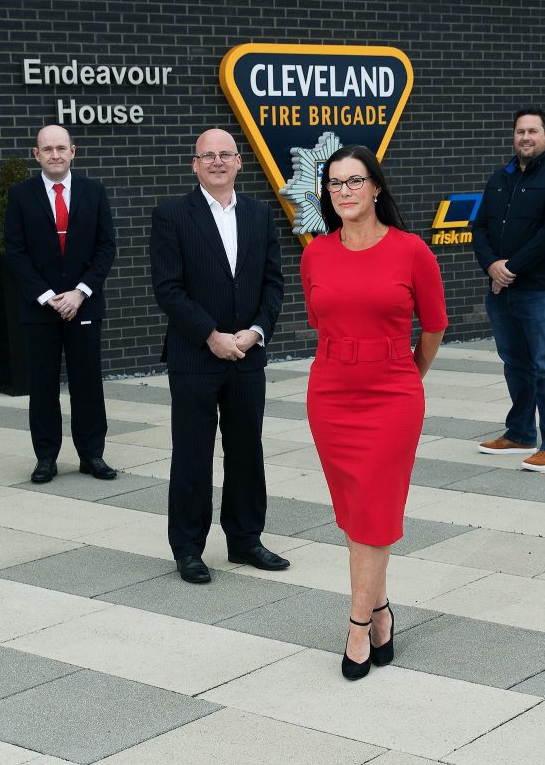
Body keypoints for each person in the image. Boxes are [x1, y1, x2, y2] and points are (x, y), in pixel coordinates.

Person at [301, 146, 447, 680]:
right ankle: (383, 609)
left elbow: (433, 327)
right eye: (335, 183)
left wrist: (409, 375)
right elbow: (320, 319)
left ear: (376, 187)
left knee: (375, 513)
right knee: (356, 512)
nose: (345, 191)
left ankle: (358, 624)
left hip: (392, 397)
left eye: (355, 180)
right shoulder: (315, 252)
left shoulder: (412, 251)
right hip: (331, 395)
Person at [151, 128, 287, 584]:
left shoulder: (260, 214)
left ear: (239, 162)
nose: (217, 161)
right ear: (194, 164)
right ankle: (188, 548)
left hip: (248, 355)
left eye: (225, 154)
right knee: (192, 453)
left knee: (247, 449)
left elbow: (273, 283)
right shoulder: (172, 215)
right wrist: (210, 334)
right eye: (207, 155)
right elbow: (167, 289)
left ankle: (246, 539)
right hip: (195, 354)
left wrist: (254, 332)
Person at [4, 125, 117, 484]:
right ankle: (46, 458)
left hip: (84, 304)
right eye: (47, 149)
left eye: (61, 148)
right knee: (43, 386)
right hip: (40, 309)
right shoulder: (20, 195)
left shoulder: (94, 192)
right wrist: (47, 296)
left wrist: (80, 292)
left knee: (88, 384)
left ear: (73, 151)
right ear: (36, 155)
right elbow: (15, 252)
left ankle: (92, 455)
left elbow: (106, 247)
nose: (55, 154)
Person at [471, 108, 545, 472]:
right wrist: (491, 265)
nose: (526, 137)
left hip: (543, 291)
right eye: (520, 131)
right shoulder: (500, 178)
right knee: (515, 364)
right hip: (503, 291)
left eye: (533, 131)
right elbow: (481, 227)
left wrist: (510, 268)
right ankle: (520, 432)